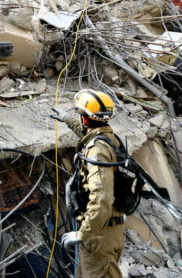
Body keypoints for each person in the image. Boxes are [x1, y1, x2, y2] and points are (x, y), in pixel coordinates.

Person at [52, 90, 125, 278]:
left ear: (85, 119)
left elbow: (101, 200)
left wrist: (82, 235)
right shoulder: (109, 139)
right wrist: (68, 120)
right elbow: (89, 135)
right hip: (107, 232)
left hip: (98, 236)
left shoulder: (97, 151)